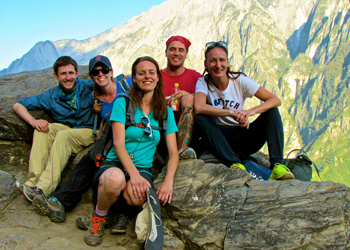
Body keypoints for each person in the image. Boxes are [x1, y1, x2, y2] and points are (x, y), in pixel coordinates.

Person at [31, 55, 132, 235]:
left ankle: (108, 215)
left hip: (136, 136)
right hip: (113, 138)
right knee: (92, 160)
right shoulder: (95, 98)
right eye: (96, 71)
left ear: (112, 72)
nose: (100, 74)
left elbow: (151, 86)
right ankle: (60, 202)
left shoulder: (128, 84)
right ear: (91, 76)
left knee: (103, 164)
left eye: (104, 70)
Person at [84, 56, 179, 246]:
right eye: (141, 73)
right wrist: (134, 176)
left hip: (143, 166)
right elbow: (118, 144)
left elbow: (173, 152)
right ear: (134, 78)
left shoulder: (165, 112)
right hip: (115, 164)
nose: (147, 77)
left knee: (138, 197)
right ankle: (99, 218)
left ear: (158, 77)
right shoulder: (123, 104)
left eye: (152, 72)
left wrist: (168, 181)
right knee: (114, 179)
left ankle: (119, 212)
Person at [194, 41, 295, 180]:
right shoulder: (203, 82)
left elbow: (275, 100)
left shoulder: (239, 80)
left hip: (242, 135)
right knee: (200, 118)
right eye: (213, 61)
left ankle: (277, 165)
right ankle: (234, 164)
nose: (218, 65)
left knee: (272, 112)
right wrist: (231, 113)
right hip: (218, 137)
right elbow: (198, 107)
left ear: (228, 62)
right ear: (206, 64)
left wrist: (250, 111)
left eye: (222, 60)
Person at [13, 56, 97, 202]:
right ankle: (33, 183)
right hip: (67, 128)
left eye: (71, 73)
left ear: (77, 73)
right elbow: (18, 105)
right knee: (43, 129)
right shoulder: (51, 96)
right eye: (63, 74)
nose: (68, 77)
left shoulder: (88, 86)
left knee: (63, 136)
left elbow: (118, 81)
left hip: (89, 130)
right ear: (56, 76)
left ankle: (43, 190)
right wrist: (33, 121)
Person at [160, 35, 201, 160]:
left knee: (189, 98)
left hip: (191, 129)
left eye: (181, 50)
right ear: (166, 53)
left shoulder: (195, 77)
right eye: (172, 49)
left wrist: (190, 96)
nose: (176, 53)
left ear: (186, 54)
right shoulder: (156, 76)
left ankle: (180, 151)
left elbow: (209, 99)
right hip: (161, 126)